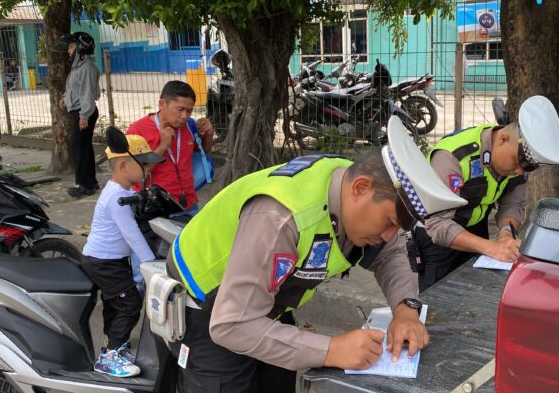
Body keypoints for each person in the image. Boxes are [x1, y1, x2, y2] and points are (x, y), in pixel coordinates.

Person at [166, 117, 466, 392]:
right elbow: (231, 325)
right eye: (388, 222)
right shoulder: (280, 218)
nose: (389, 236)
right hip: (208, 306)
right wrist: (333, 349)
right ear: (360, 188)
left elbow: (390, 253)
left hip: (267, 301)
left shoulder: (350, 187)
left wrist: (406, 309)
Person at [411, 96, 559, 291]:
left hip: (476, 231)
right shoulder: (452, 156)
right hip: (437, 240)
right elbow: (438, 225)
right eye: (518, 162)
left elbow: (513, 204)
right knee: (438, 301)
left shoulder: (516, 162)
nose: (520, 171)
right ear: (503, 139)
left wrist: (505, 234)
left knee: (475, 292)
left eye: (529, 167)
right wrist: (491, 247)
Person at [81, 134, 165, 377]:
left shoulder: (119, 191)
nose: (148, 168)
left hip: (109, 259)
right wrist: (151, 264)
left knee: (114, 302)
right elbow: (132, 235)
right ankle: (109, 357)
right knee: (130, 304)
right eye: (143, 163)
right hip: (103, 262)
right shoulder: (115, 198)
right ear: (123, 165)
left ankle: (113, 346)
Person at [127, 81, 214, 217]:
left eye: (189, 111)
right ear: (162, 104)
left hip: (189, 205)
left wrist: (209, 134)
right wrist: (162, 146)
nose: (184, 116)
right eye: (180, 109)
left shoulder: (189, 125)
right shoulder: (137, 131)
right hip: (157, 209)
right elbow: (137, 175)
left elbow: (204, 152)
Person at [58, 32, 101, 198]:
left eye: (71, 47)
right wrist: (64, 98)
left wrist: (84, 116)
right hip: (79, 110)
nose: (68, 50)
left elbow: (87, 94)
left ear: (80, 48)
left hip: (85, 112)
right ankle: (90, 182)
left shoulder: (88, 68)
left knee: (78, 148)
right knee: (84, 147)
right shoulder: (78, 67)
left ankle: (82, 184)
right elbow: (74, 89)